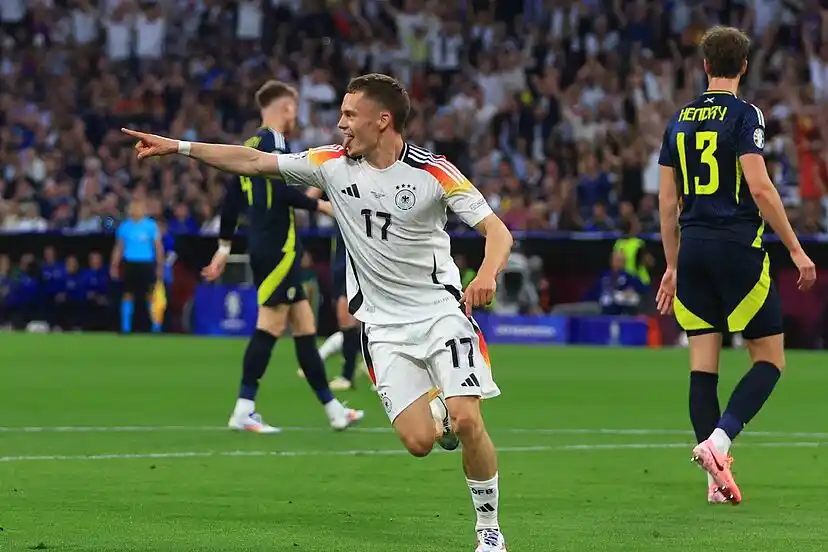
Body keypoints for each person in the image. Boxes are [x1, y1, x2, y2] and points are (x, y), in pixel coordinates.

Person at [122, 72, 514, 552]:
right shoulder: (329, 163)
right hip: (383, 328)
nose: (340, 124)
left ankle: (489, 532)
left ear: (382, 121)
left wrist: (487, 274)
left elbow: (497, 231)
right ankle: (443, 416)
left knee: (470, 419)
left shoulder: (434, 172)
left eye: (350, 115)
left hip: (439, 313)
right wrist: (178, 147)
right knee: (418, 443)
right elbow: (250, 160)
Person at [655, 26, 817, 506]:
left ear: (704, 65)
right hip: (738, 250)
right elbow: (761, 187)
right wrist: (796, 248)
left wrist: (671, 264)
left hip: (694, 251)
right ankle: (719, 444)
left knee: (702, 370)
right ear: (743, 66)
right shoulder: (746, 115)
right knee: (769, 360)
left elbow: (667, 203)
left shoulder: (678, 121)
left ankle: (714, 483)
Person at [200, 80, 364, 434]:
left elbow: (230, 201)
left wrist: (224, 248)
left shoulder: (247, 147)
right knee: (270, 326)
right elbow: (280, 192)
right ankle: (244, 408)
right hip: (278, 247)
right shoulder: (274, 143)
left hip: (265, 245)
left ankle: (334, 411)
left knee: (304, 327)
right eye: (293, 108)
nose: (294, 116)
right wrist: (322, 205)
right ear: (286, 107)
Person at [110, 200, 164, 334]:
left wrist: (159, 266)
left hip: (146, 264)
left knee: (150, 296)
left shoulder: (151, 226)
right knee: (128, 295)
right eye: (133, 207)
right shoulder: (125, 227)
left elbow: (158, 247)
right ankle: (126, 327)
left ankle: (155, 327)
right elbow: (119, 248)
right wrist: (114, 266)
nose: (135, 209)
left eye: (139, 206)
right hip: (130, 264)